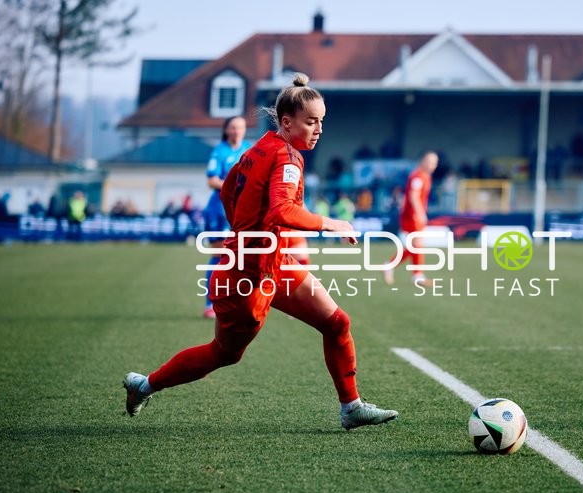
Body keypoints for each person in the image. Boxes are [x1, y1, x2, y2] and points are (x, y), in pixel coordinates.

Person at [123, 73, 398, 430]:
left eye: (321, 121)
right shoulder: (288, 158)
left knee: (336, 323)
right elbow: (282, 210)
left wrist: (245, 230)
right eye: (311, 121)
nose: (319, 129)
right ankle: (144, 385)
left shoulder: (261, 146)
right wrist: (330, 223)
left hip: (272, 263)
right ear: (287, 122)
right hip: (247, 277)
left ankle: (351, 407)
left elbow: (228, 189)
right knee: (224, 353)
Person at [202, 116, 252, 318]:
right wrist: (234, 187)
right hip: (219, 210)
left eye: (240, 127)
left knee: (242, 256)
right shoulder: (219, 151)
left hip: (241, 211)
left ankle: (236, 300)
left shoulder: (249, 150)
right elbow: (212, 180)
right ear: (226, 130)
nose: (236, 130)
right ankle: (210, 303)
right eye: (233, 127)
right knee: (220, 255)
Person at [382, 151, 438, 287]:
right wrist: (420, 213)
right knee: (417, 244)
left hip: (413, 215)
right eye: (429, 162)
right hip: (412, 216)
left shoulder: (425, 176)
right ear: (423, 161)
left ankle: (394, 267)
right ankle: (416, 275)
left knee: (415, 246)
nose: (431, 165)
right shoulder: (417, 176)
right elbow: (413, 196)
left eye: (434, 163)